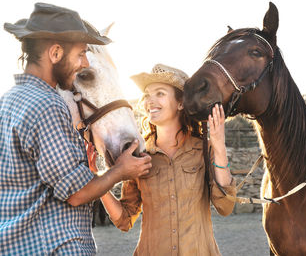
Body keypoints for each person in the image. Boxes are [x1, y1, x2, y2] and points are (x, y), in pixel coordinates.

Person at [0, 3, 151, 255]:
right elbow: (76, 193)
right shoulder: (47, 105)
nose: (83, 61)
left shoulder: (11, 98)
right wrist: (120, 170)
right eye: (80, 56)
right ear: (55, 53)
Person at [98, 64, 237, 255]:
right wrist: (97, 182)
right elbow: (125, 219)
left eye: (160, 93)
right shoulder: (137, 153)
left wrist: (219, 146)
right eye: (147, 95)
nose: (150, 101)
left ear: (181, 103)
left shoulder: (203, 150)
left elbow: (225, 206)